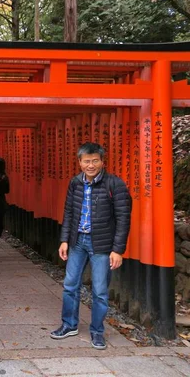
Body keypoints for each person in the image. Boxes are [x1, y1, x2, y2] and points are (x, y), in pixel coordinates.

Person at [50, 142, 131, 350]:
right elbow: (68, 212)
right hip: (78, 242)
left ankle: (97, 331)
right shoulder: (75, 182)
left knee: (100, 291)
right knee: (70, 285)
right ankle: (69, 325)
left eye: (95, 160)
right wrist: (64, 240)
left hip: (102, 245)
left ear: (102, 161)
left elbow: (123, 218)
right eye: (86, 161)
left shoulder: (115, 184)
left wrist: (118, 250)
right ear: (79, 162)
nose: (91, 165)